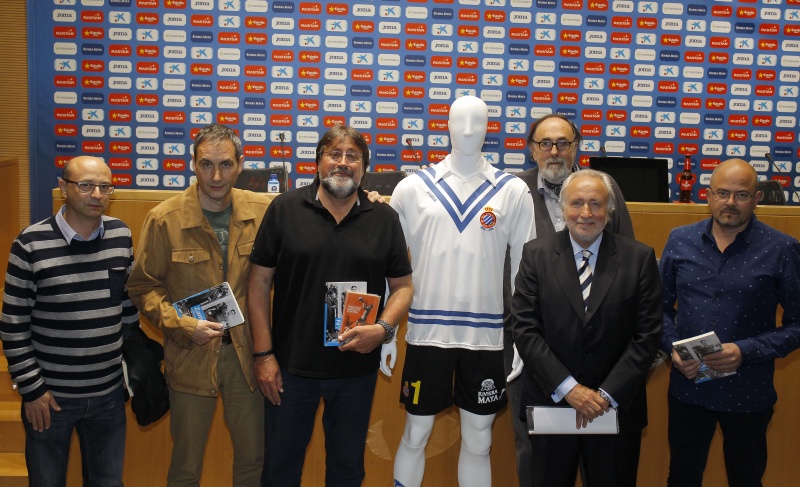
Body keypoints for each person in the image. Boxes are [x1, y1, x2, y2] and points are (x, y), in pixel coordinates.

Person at [247, 125, 413, 487]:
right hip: (290, 370)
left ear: (364, 168)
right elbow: (258, 283)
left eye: (352, 156)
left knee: (347, 473)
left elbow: (403, 287)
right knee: (279, 473)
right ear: (318, 162)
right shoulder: (285, 209)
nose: (343, 162)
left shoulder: (384, 219)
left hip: (355, 370)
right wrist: (263, 356)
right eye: (334, 154)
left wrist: (383, 329)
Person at [391, 95, 535, 487]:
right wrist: (387, 331)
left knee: (479, 440)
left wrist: (523, 336)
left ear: (490, 129)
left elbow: (525, 272)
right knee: (415, 433)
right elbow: (391, 268)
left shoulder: (512, 191)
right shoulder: (411, 188)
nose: (468, 130)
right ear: (447, 126)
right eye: (460, 121)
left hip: (485, 338)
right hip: (425, 334)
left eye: (478, 122)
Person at [127, 123, 268, 486]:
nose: (216, 176)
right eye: (206, 164)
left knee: (254, 460)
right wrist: (184, 325)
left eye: (225, 164)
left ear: (240, 164)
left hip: (247, 357)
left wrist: (367, 198)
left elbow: (315, 211)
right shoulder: (165, 219)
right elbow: (143, 287)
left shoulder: (265, 211)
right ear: (193, 164)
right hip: (190, 355)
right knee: (186, 466)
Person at [503, 114, 635, 485]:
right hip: (533, 354)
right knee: (537, 459)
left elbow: (627, 261)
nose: (555, 151)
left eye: (563, 143)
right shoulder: (512, 190)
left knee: (602, 460)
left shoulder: (604, 187)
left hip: (601, 358)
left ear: (576, 146)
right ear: (531, 149)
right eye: (545, 143)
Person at [510, 169, 662, 487]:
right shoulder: (535, 255)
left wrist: (605, 395)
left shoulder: (639, 258)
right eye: (577, 203)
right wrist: (570, 389)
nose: (586, 213)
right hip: (552, 404)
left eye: (596, 204)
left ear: (610, 210)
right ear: (563, 207)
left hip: (614, 408)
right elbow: (525, 329)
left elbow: (647, 336)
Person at [660, 158, 800, 487]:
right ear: (708, 195)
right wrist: (672, 348)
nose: (731, 202)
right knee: (681, 478)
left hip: (748, 390)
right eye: (722, 193)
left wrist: (745, 351)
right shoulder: (680, 240)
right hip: (688, 387)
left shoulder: (782, 248)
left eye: (742, 195)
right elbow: (657, 309)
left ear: (756, 198)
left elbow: (797, 324)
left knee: (746, 479)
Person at [0, 156, 140, 486]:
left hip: (108, 395)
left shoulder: (121, 235)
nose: (97, 194)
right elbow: (13, 325)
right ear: (63, 188)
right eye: (86, 185)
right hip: (50, 398)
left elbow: (127, 309)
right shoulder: (30, 244)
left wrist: (129, 371)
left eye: (105, 186)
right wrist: (32, 390)